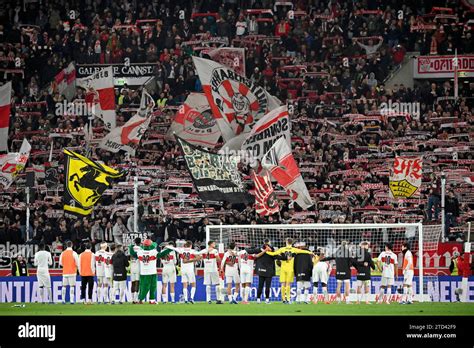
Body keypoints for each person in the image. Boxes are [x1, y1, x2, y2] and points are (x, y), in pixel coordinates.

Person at [266, 238, 312, 304]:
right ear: (292, 242)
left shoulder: (282, 249)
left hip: (283, 268)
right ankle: (288, 299)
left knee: (282, 284)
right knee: (288, 284)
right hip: (290, 269)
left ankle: (283, 299)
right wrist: (311, 252)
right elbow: (303, 251)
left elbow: (273, 254)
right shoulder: (294, 249)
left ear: (286, 242)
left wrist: (266, 252)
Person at [130, 239, 172, 304]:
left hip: (144, 272)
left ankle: (148, 300)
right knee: (151, 287)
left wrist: (131, 247)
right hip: (152, 272)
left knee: (144, 287)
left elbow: (133, 253)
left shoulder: (140, 252)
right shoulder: (153, 251)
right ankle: (142, 300)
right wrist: (169, 249)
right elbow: (161, 254)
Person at [245, 239, 276, 304]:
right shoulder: (272, 250)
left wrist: (245, 249)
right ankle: (267, 300)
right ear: (269, 242)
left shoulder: (259, 248)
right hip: (269, 271)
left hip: (261, 270)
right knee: (268, 286)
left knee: (260, 285)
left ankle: (258, 299)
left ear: (263, 242)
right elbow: (276, 256)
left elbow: (249, 251)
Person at [129, 238, 142, 304]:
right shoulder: (140, 249)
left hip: (132, 267)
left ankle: (132, 299)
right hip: (138, 267)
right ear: (140, 242)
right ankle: (136, 299)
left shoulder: (131, 248)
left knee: (132, 283)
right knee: (137, 283)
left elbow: (131, 255)